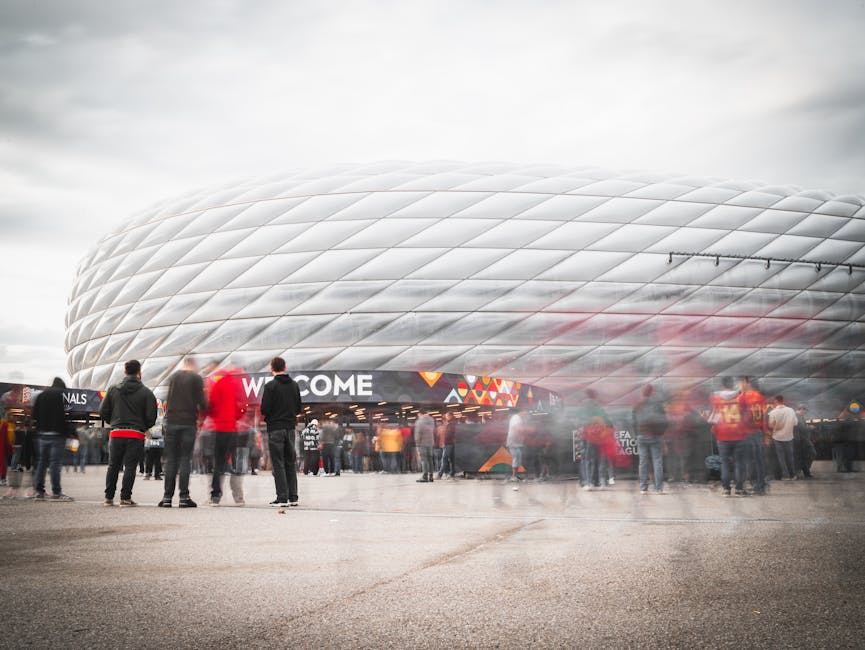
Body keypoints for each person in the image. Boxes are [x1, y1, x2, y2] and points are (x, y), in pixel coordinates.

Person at [100, 360, 158, 507]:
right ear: (140, 372)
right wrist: (142, 427)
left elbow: (102, 411)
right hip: (135, 435)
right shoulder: (147, 392)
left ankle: (108, 497)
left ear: (124, 372)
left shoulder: (113, 389)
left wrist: (114, 422)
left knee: (113, 465)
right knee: (130, 467)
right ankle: (125, 498)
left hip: (117, 433)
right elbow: (151, 417)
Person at [160, 357, 207, 508]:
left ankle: (167, 497)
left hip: (172, 423)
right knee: (185, 459)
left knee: (171, 460)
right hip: (188, 423)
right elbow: (202, 403)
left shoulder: (173, 377)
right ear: (193, 364)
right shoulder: (196, 378)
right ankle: (184, 497)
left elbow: (167, 400)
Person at [260, 357, 302, 507]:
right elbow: (299, 408)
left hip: (276, 428)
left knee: (278, 463)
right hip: (290, 428)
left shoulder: (270, 386)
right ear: (285, 367)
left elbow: (264, 409)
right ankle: (293, 497)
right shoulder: (295, 385)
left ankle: (282, 497)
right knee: (290, 461)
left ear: (272, 368)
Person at [206, 366, 247, 506]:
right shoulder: (236, 385)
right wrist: (236, 417)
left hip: (219, 429)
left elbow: (210, 406)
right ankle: (238, 498)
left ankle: (215, 496)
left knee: (218, 463)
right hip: (232, 429)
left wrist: (216, 418)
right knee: (236, 464)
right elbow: (243, 405)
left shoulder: (217, 385)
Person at [31, 377, 74, 501]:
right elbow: (61, 416)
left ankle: (39, 491)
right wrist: (68, 432)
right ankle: (57, 492)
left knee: (41, 463)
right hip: (56, 435)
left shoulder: (41, 395)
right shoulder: (58, 395)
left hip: (42, 434)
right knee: (55, 464)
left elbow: (34, 415)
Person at [709, 377, 748, 497]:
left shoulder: (716, 399)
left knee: (724, 463)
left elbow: (714, 417)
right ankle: (739, 489)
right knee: (739, 463)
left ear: (722, 386)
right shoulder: (741, 398)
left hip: (722, 436)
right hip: (739, 434)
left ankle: (726, 489)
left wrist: (715, 429)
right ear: (732, 386)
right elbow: (746, 415)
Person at [633, 384, 668, 495]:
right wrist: (661, 433)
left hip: (641, 436)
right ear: (652, 392)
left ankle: (643, 488)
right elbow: (665, 421)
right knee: (657, 461)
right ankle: (658, 488)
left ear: (643, 393)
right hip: (655, 436)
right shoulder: (658, 404)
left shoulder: (638, 405)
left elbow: (633, 422)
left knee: (643, 462)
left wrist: (637, 434)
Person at [739, 377, 768, 495]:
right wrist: (765, 434)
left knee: (748, 461)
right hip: (758, 433)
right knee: (759, 461)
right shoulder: (759, 397)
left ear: (747, 383)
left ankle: (754, 484)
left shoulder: (743, 397)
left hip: (747, 433)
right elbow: (764, 417)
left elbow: (740, 416)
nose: (740, 385)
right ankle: (761, 485)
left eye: (741, 382)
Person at [767, 395, 797, 480]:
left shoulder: (773, 412)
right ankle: (793, 475)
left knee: (781, 457)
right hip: (789, 436)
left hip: (777, 437)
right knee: (790, 456)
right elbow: (795, 423)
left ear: (775, 401)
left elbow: (770, 425)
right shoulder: (791, 410)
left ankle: (786, 475)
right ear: (783, 400)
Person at [506, 407, 528, 482]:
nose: (526, 414)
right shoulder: (516, 418)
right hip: (513, 442)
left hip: (516, 443)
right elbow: (516, 428)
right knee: (516, 458)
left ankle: (515, 475)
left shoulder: (517, 418)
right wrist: (527, 430)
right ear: (521, 411)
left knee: (518, 458)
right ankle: (514, 476)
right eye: (525, 412)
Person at [793, 405, 815, 479]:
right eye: (805, 411)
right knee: (809, 454)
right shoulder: (797, 416)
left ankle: (805, 471)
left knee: (803, 456)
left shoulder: (800, 416)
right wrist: (809, 427)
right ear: (801, 409)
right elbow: (801, 427)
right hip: (800, 439)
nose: (805, 412)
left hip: (801, 439)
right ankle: (802, 471)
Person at [414, 409, 436, 483]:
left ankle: (424, 476)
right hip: (430, 442)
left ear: (420, 414)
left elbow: (418, 433)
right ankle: (431, 476)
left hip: (422, 443)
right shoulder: (431, 420)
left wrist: (417, 443)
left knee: (424, 460)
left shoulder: (419, 422)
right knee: (430, 460)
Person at [437, 411, 456, 479]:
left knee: (444, 459)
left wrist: (444, 439)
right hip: (452, 443)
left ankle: (440, 474)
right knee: (451, 460)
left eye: (447, 416)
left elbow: (449, 434)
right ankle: (452, 473)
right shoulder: (453, 423)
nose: (446, 417)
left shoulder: (451, 424)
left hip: (448, 443)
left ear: (450, 416)